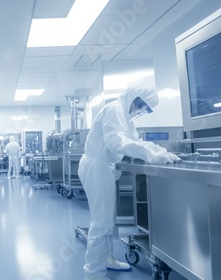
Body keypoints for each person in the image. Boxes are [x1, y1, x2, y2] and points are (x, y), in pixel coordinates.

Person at [78, 83, 180, 280]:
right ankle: (93, 272)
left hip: (102, 167)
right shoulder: (115, 109)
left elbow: (136, 141)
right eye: (141, 105)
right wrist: (151, 156)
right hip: (96, 166)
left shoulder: (126, 118)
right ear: (133, 97)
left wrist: (161, 152)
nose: (141, 110)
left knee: (107, 218)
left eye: (146, 109)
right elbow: (117, 142)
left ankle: (105, 258)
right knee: (101, 221)